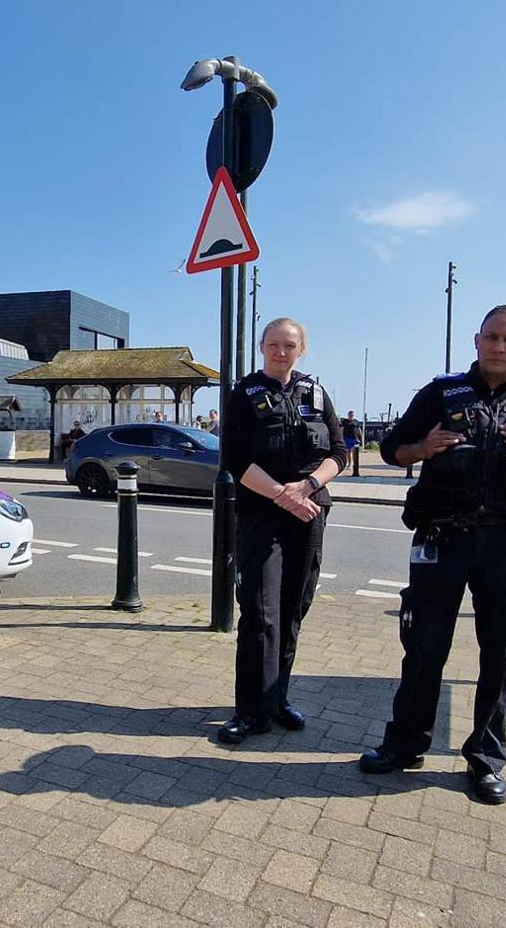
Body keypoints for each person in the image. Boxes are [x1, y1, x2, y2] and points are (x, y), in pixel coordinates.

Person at [359, 305, 506, 805]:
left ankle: (485, 760)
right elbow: (391, 449)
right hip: (443, 538)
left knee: (499, 657)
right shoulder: (440, 393)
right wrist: (424, 448)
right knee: (423, 649)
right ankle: (405, 745)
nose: (500, 347)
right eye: (492, 337)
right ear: (477, 341)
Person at [216, 318, 346, 745]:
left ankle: (278, 699)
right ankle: (249, 711)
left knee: (292, 608)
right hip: (261, 514)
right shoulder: (245, 393)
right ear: (262, 346)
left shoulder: (317, 392)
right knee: (259, 611)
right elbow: (234, 458)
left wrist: (308, 486)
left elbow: (339, 454)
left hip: (309, 511)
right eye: (273, 344)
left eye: (289, 345)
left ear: (301, 349)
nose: (281, 352)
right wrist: (281, 495)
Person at [341, 410, 361, 475]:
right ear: (348, 415)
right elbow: (342, 429)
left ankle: (354, 465)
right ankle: (349, 464)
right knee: (348, 452)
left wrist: (360, 437)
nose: (351, 416)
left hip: (354, 439)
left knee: (354, 452)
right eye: (350, 415)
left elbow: (359, 429)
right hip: (346, 438)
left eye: (352, 415)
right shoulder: (345, 421)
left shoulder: (356, 422)